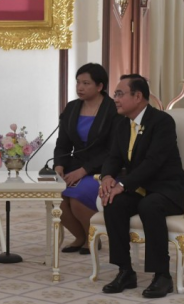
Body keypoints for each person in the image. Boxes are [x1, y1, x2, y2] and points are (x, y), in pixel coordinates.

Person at [98, 74, 184, 298]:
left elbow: (154, 162)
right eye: (115, 94)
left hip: (167, 189)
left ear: (138, 96)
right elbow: (114, 156)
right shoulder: (120, 123)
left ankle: (162, 275)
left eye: (120, 94)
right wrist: (108, 176)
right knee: (113, 202)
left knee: (150, 205)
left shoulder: (162, 122)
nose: (115, 99)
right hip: (140, 188)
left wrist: (123, 183)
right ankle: (125, 271)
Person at [54, 63, 122, 255]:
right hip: (74, 166)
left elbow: (113, 150)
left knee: (77, 198)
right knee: (56, 197)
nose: (80, 87)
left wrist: (83, 171)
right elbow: (63, 143)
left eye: (86, 83)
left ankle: (93, 237)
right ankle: (80, 236)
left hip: (104, 169)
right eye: (78, 83)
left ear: (100, 86)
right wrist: (59, 166)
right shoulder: (72, 107)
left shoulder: (112, 109)